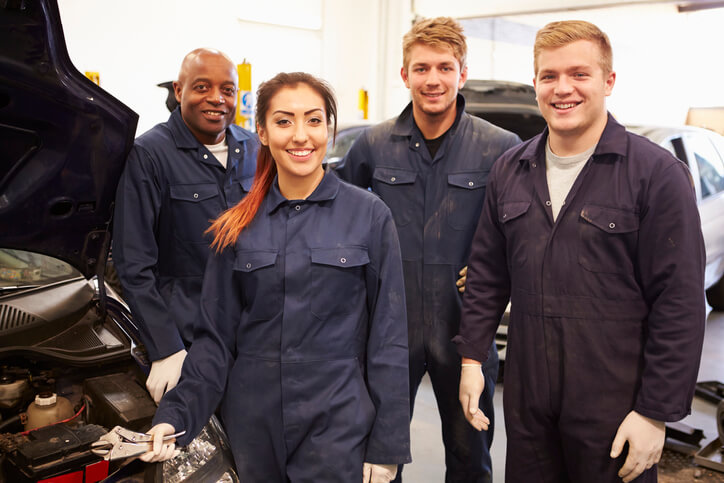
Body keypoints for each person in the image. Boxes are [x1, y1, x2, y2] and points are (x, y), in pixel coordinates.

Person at [455, 20, 706, 483]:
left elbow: (681, 303)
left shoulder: (655, 175)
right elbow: (488, 274)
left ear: (608, 82)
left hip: (614, 400)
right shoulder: (511, 169)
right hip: (529, 399)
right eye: (549, 76)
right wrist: (472, 360)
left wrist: (654, 413)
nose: (562, 88)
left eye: (579, 74)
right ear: (535, 83)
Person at [140, 72, 411, 483]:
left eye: (314, 120)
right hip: (253, 424)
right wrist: (174, 416)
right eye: (284, 121)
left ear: (329, 129)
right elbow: (214, 342)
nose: (300, 135)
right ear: (262, 132)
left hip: (338, 421)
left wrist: (387, 446)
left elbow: (389, 340)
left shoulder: (370, 217)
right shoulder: (235, 225)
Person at [338, 16, 520, 483]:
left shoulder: (500, 148)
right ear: (404, 75)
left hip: (466, 331)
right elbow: (339, 223)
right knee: (380, 458)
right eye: (421, 68)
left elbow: (520, 235)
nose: (433, 79)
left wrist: (494, 268)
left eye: (444, 67)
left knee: (469, 456)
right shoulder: (373, 146)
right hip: (389, 330)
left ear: (463, 74)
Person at [112, 48, 258, 403]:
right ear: (179, 91)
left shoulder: (253, 148)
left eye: (227, 89)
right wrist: (165, 348)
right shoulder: (149, 155)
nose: (216, 99)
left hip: (250, 334)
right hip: (189, 341)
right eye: (202, 87)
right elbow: (133, 265)